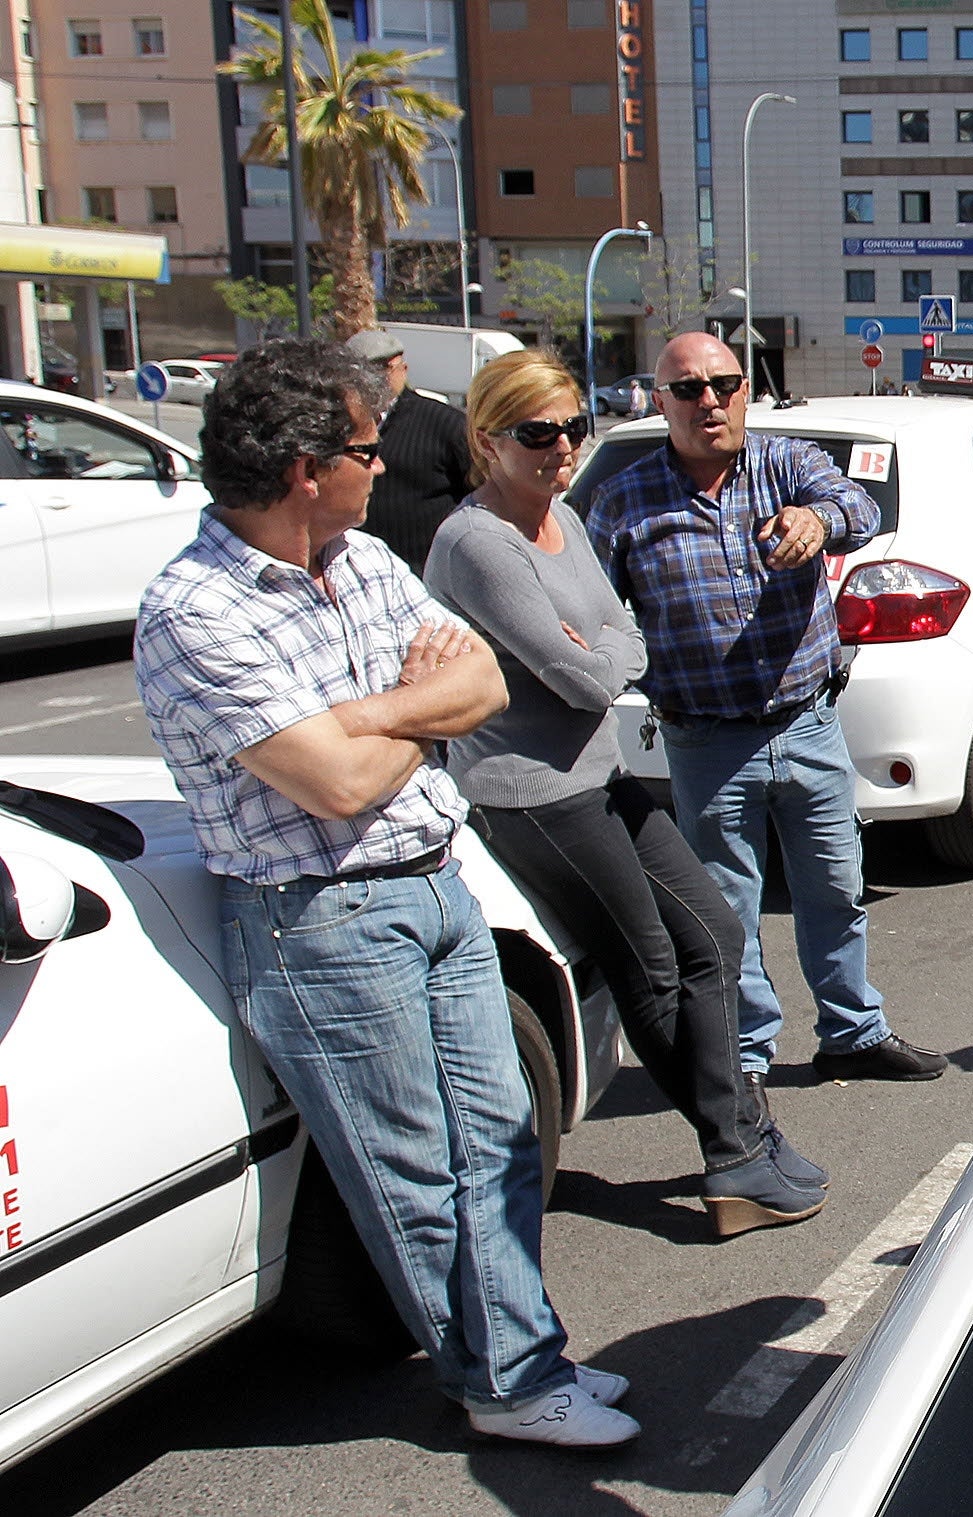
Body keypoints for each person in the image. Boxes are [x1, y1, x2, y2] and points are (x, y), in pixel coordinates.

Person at [133, 339, 636, 1447]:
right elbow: (338, 782)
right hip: (325, 918)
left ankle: (524, 1353)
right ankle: (500, 1382)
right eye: (368, 450)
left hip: (434, 881)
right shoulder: (196, 611)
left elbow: (483, 681)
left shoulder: (357, 561)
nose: (390, 468)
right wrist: (403, 708)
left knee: (498, 1137)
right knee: (411, 1166)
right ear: (309, 468)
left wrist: (363, 711)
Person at [425, 351, 830, 1236]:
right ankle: (735, 1155)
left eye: (573, 428)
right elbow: (583, 675)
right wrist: (603, 650)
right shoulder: (477, 542)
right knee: (650, 963)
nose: (562, 448)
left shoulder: (560, 518)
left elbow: (620, 636)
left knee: (717, 934)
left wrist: (604, 647)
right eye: (538, 434)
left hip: (597, 774)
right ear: (487, 440)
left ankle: (743, 1134)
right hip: (531, 792)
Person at [585, 332, 948, 1083]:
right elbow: (592, 608)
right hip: (705, 741)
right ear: (661, 402)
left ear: (746, 390)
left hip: (807, 722)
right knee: (725, 913)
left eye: (723, 384)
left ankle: (852, 1030)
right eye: (687, 389)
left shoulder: (786, 464)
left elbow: (856, 503)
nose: (708, 401)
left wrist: (818, 521)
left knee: (837, 888)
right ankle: (744, 1059)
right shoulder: (624, 500)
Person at [343, 327, 476, 572]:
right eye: (361, 372)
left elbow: (481, 494)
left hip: (429, 574)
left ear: (402, 370)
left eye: (382, 369)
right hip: (360, 571)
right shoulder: (338, 426)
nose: (371, 380)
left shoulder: (446, 424)